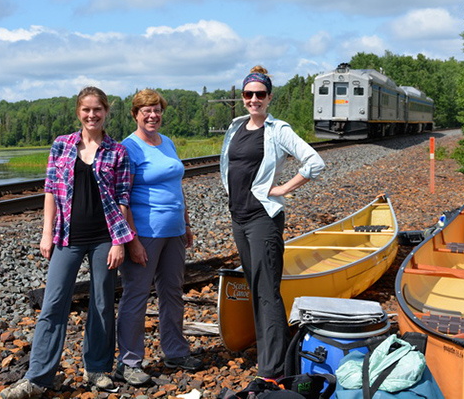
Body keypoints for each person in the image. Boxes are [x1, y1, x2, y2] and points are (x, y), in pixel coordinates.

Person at [1, 86, 135, 399]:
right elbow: (50, 190)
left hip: (105, 236)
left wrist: (119, 242)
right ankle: (39, 377)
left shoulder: (117, 151)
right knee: (53, 304)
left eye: (98, 110)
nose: (92, 115)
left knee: (102, 304)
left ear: (106, 112)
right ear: (79, 112)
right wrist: (46, 232)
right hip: (66, 236)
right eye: (86, 109)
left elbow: (123, 198)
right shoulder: (62, 145)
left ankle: (97, 369)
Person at [219, 66, 325, 381]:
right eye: (249, 94)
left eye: (260, 94)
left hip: (263, 219)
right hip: (239, 217)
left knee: (267, 292)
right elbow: (229, 164)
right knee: (256, 288)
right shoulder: (236, 126)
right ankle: (268, 353)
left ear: (269, 97)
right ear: (242, 97)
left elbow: (314, 162)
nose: (254, 100)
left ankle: (272, 369)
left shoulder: (278, 130)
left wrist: (281, 189)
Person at [115, 89, 203, 386]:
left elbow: (177, 186)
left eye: (157, 109)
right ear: (135, 114)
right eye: (146, 110)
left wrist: (187, 223)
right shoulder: (128, 147)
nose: (152, 115)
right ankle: (129, 362)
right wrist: (132, 240)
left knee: (172, 294)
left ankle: (176, 352)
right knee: (136, 296)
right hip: (146, 233)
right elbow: (122, 197)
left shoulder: (167, 143)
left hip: (174, 231)